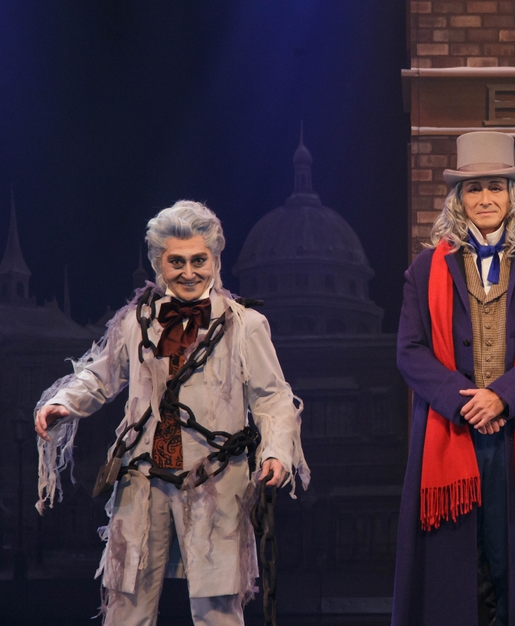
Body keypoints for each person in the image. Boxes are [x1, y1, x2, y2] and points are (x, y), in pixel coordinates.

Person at [34, 200, 309, 626]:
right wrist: (65, 402)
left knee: (217, 606)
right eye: (176, 261)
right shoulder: (136, 322)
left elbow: (272, 396)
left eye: (199, 260)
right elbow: (102, 373)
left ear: (215, 260)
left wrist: (276, 452)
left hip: (214, 478)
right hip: (143, 478)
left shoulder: (245, 325)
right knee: (127, 600)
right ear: (159, 263)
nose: (188, 272)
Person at [392, 131, 515, 626]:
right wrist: (465, 403)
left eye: (495, 187)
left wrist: (501, 397)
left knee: (514, 561)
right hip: (450, 430)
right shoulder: (425, 269)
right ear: (458, 199)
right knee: (460, 563)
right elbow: (410, 351)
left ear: (512, 196)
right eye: (474, 188)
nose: (485, 198)